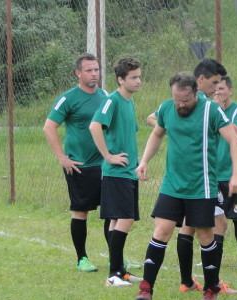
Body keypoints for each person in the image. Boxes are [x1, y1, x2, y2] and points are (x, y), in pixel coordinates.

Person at [134, 73, 237, 300]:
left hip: (201, 187)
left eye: (185, 100)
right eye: (177, 99)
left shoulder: (210, 111)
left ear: (196, 93)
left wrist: (236, 174)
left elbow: (233, 139)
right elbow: (156, 134)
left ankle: (211, 288)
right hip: (172, 185)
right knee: (161, 230)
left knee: (205, 235)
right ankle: (146, 289)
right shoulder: (166, 108)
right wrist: (144, 161)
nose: (180, 104)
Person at [173, 59, 237, 295]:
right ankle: (214, 282)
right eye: (214, 83)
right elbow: (156, 118)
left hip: (201, 177)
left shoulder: (201, 103)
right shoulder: (196, 103)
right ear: (200, 80)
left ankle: (186, 281)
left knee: (190, 226)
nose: (216, 88)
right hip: (204, 179)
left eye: (220, 84)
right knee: (215, 225)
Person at [43, 53, 108, 273]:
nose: (94, 74)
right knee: (80, 212)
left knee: (111, 211)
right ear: (78, 73)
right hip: (79, 165)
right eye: (89, 70)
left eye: (96, 69)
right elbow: (49, 126)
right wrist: (62, 158)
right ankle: (82, 258)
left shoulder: (106, 96)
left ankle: (116, 258)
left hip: (105, 165)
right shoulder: (68, 98)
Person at [89, 57, 143, 287]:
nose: (138, 81)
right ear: (121, 79)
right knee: (126, 218)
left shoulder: (129, 102)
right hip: (116, 172)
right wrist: (109, 156)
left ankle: (120, 271)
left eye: (139, 76)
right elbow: (94, 126)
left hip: (129, 172)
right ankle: (113, 275)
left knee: (115, 221)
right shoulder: (112, 100)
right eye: (133, 77)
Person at [213, 75, 237, 270]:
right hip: (213, 174)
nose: (218, 93)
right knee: (214, 217)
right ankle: (213, 255)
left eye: (222, 89)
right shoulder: (210, 111)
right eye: (216, 89)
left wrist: (218, 110)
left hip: (233, 174)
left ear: (230, 90)